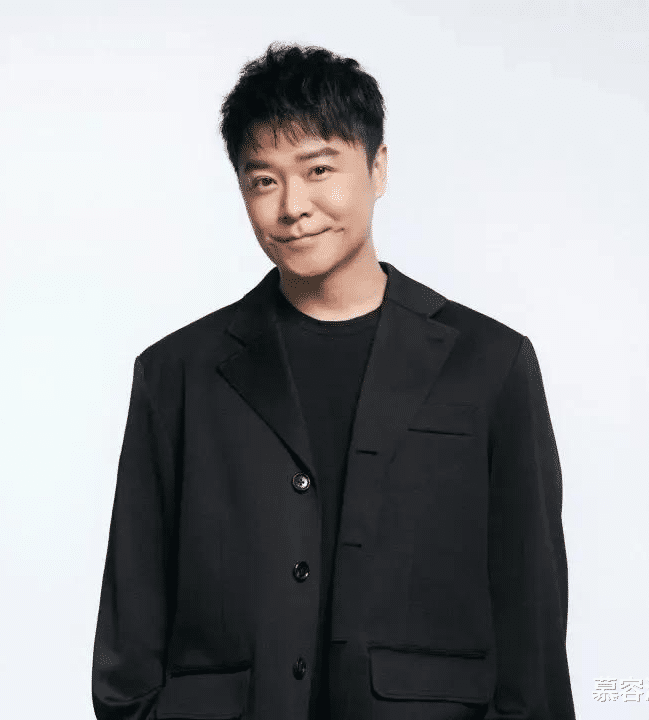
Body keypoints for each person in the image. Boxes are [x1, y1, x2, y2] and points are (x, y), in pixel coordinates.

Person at [92, 42, 576, 720]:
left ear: (378, 168)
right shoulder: (176, 373)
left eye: (319, 169)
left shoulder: (489, 363)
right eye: (263, 181)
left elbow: (532, 619)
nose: (293, 206)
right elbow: (131, 624)